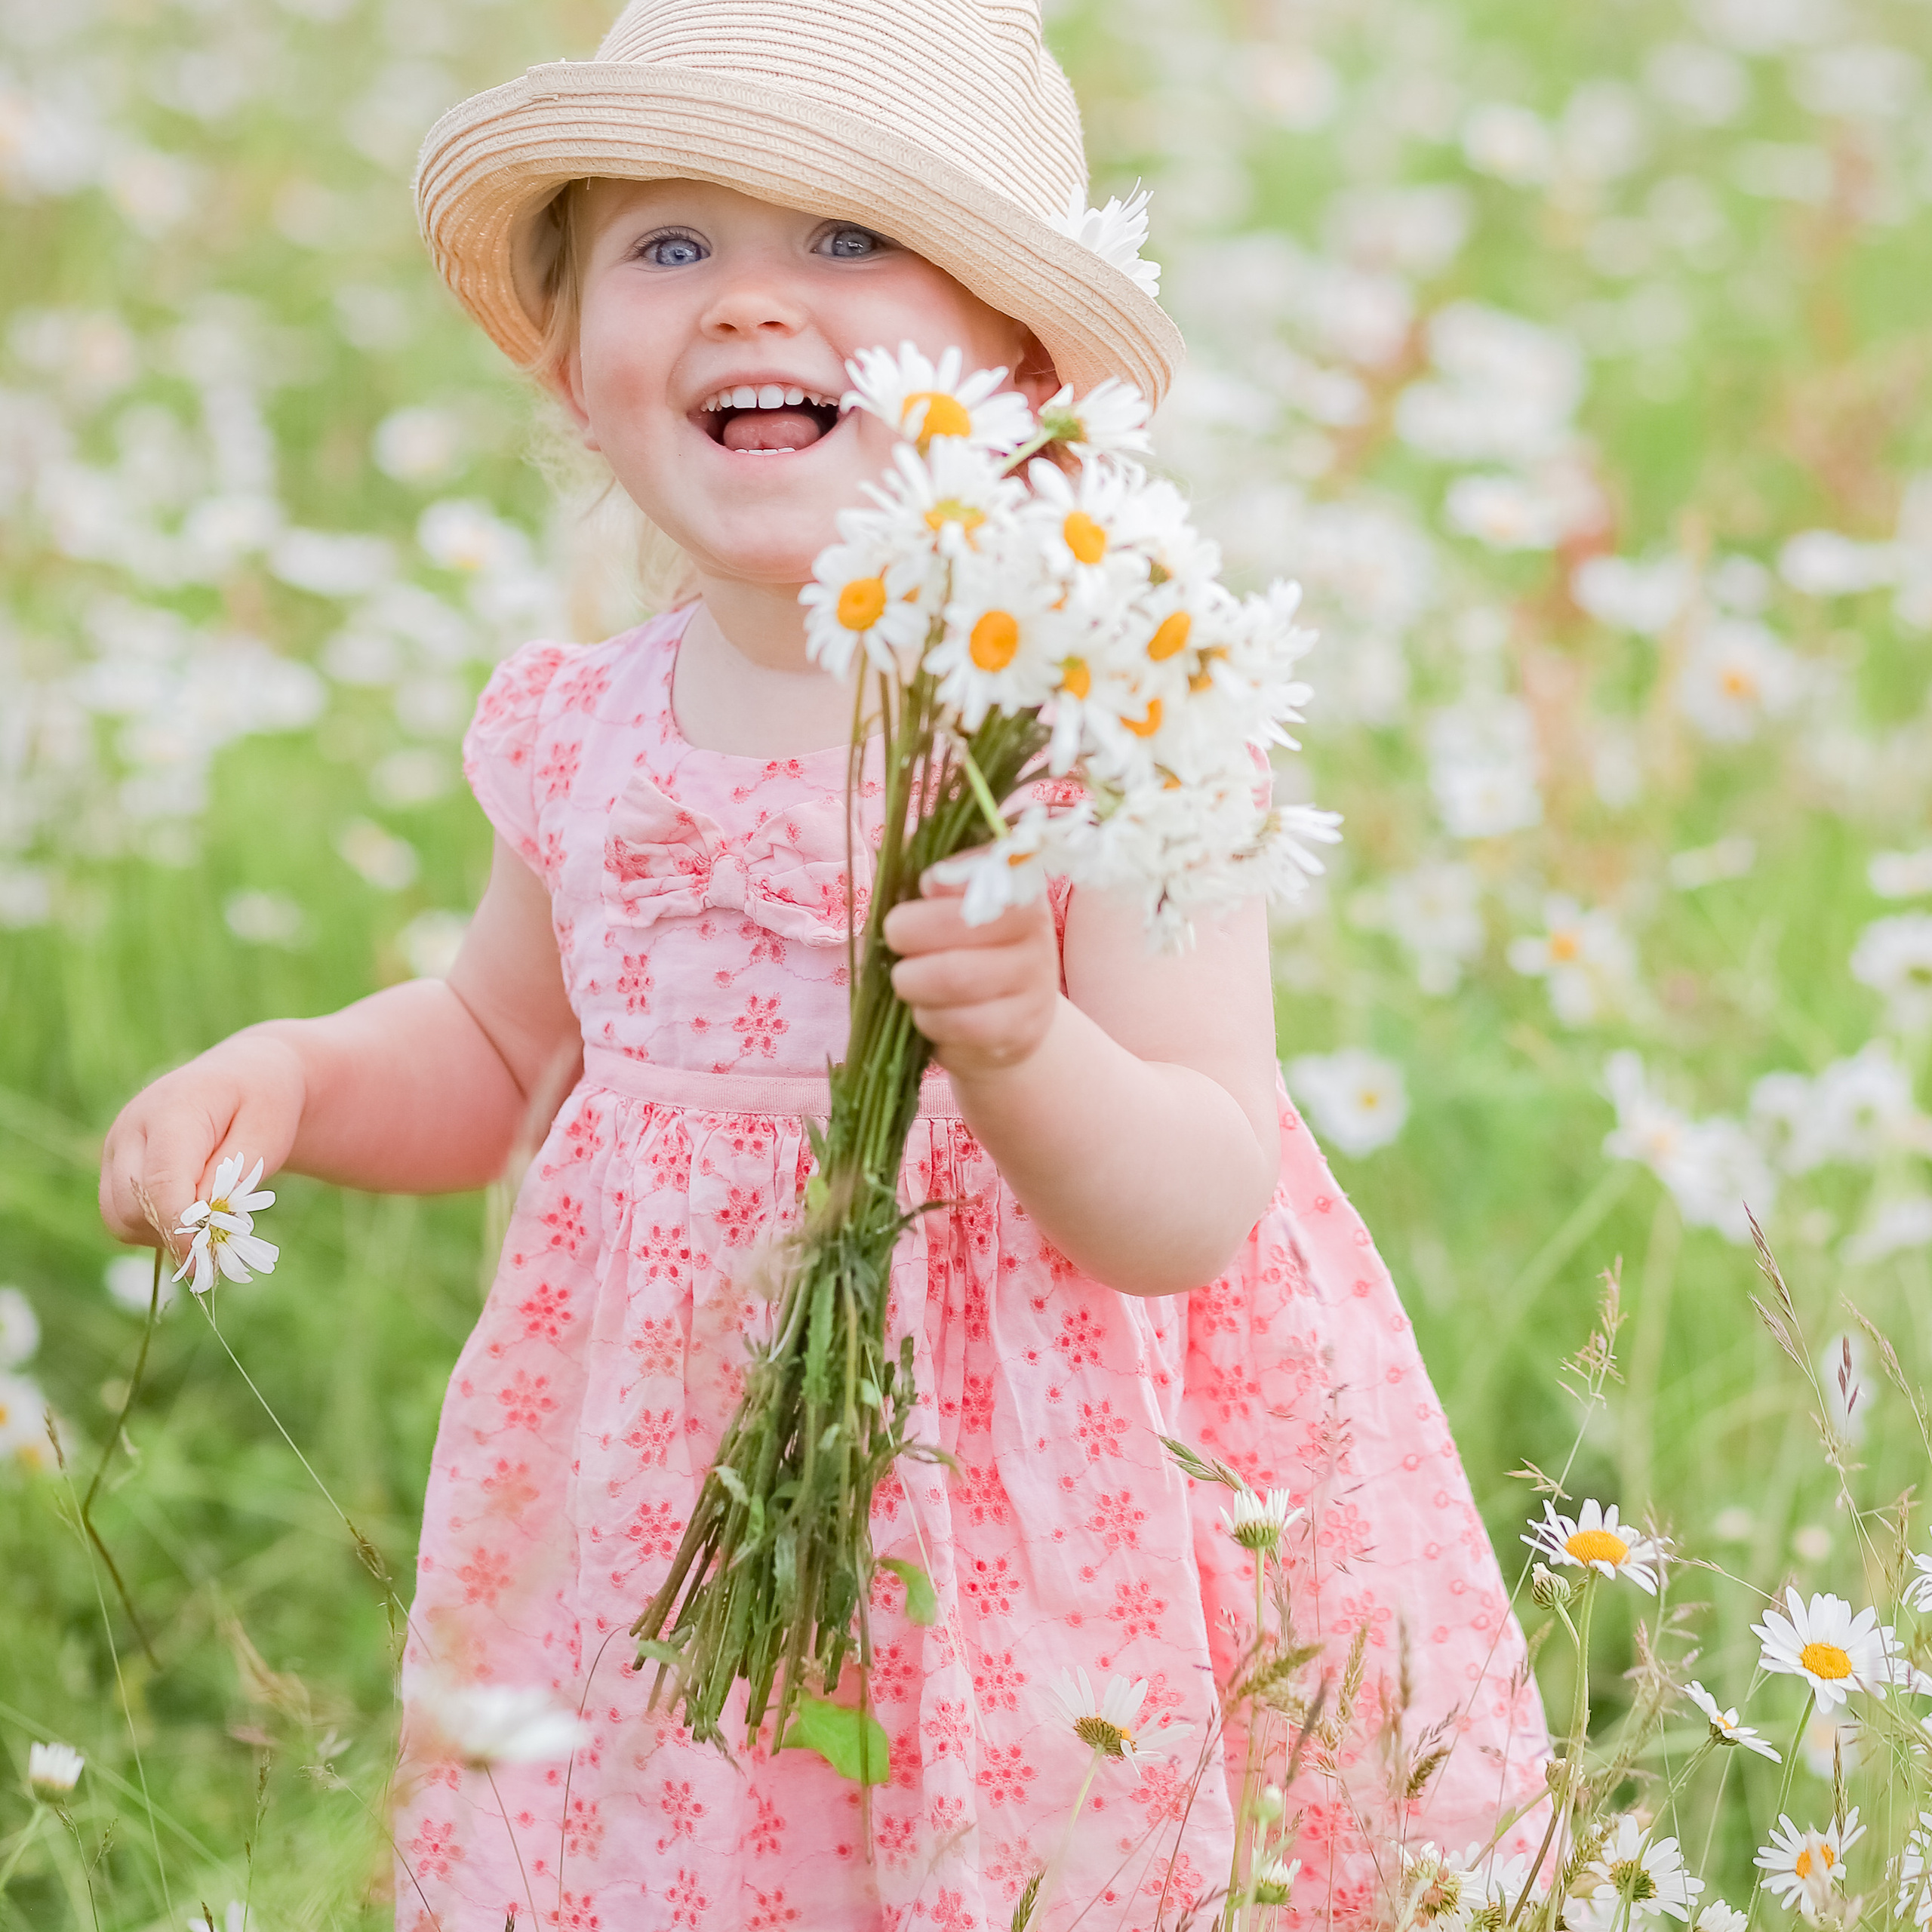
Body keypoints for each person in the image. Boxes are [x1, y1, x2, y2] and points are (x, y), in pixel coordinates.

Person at [99, 1, 1549, 1924]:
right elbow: (489, 1049)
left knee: (1026, 1863)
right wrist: (287, 1073)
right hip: (673, 1489)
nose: (749, 302)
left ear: (1015, 373)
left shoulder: (1098, 713)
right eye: (671, 244)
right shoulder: (594, 730)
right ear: (571, 367)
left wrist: (1025, 1052)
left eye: (847, 240)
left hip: (1031, 1500)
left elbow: (1199, 1191)